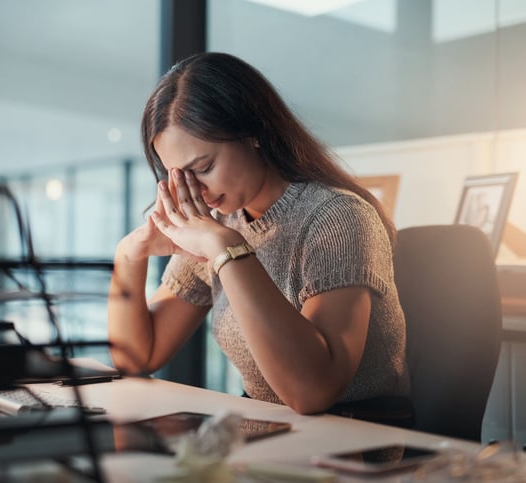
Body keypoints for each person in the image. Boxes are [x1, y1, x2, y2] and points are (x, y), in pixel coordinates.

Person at [107, 52, 411, 419]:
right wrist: (129, 254)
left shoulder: (336, 217)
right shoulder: (221, 222)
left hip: (359, 440)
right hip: (270, 431)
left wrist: (226, 248)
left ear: (253, 133)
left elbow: (312, 392)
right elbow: (138, 356)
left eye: (203, 167)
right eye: (178, 175)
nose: (194, 190)